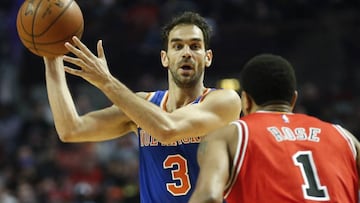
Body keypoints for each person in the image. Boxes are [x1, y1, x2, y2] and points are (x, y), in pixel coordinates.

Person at [43, 11, 241, 202]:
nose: (186, 53)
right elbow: (71, 129)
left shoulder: (225, 101)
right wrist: (50, 57)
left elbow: (168, 129)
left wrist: (107, 82)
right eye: (178, 46)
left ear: (208, 57)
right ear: (165, 57)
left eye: (195, 46)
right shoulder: (143, 105)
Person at [189, 53, 360, 203]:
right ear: (293, 100)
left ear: (246, 101)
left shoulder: (230, 136)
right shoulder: (345, 137)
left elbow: (209, 197)